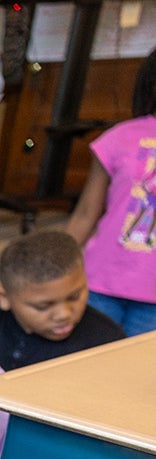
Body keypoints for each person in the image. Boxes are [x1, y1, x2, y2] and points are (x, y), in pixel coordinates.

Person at [65, 46, 156, 335]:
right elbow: (85, 213)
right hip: (101, 281)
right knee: (82, 360)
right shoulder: (120, 138)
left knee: (134, 375)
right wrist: (53, 262)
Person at [0, 229, 122, 370]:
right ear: (4, 298)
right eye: (43, 306)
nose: (64, 314)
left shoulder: (107, 344)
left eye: (74, 296)